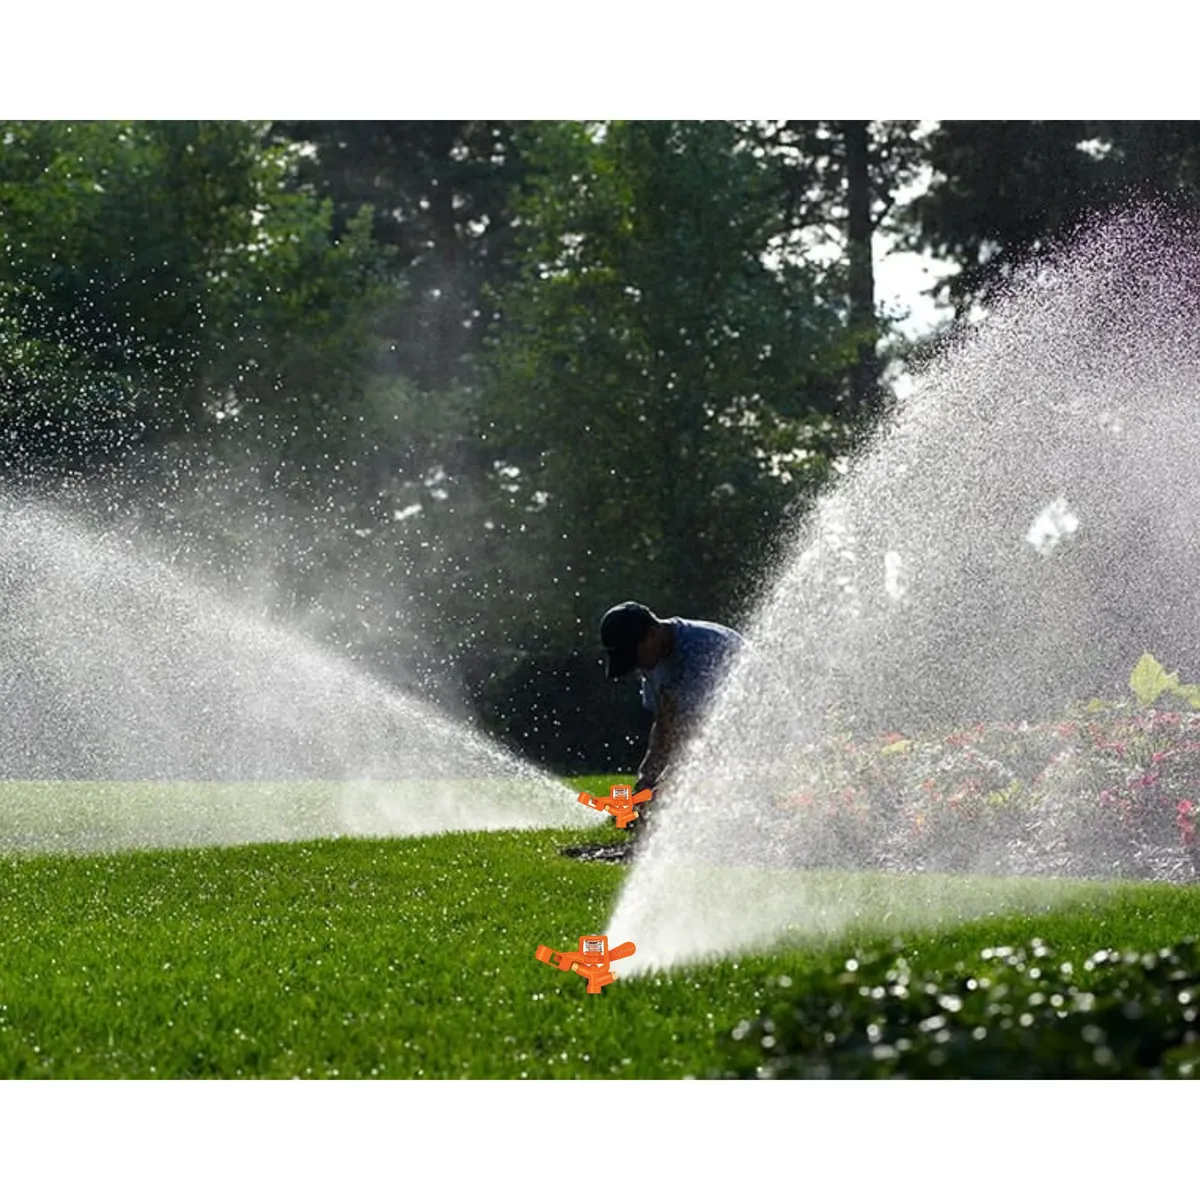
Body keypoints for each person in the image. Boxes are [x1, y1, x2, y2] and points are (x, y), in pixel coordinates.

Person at [599, 601, 745, 803]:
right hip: (719, 735)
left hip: (751, 737)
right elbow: (664, 723)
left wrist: (662, 789)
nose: (636, 666)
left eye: (634, 656)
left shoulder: (702, 649)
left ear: (652, 634)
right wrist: (645, 781)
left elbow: (693, 731)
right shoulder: (654, 657)